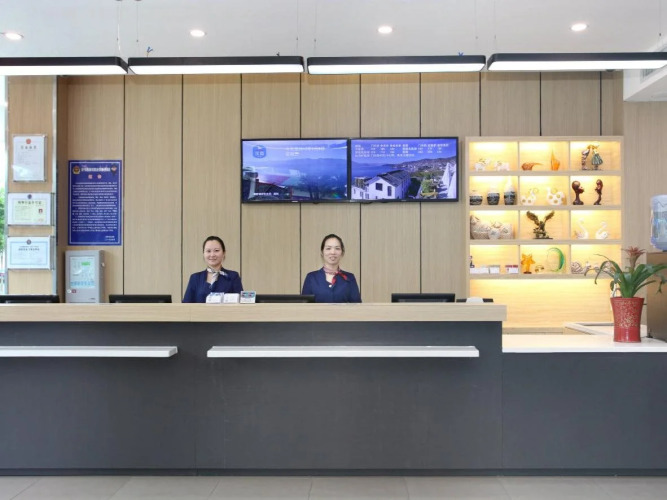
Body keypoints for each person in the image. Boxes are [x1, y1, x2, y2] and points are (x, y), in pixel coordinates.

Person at [302, 234, 361, 303]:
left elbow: (357, 306)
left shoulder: (350, 278)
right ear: (322, 252)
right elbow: (304, 306)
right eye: (328, 248)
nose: (333, 252)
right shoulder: (311, 277)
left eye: (337, 248)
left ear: (342, 253)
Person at [182, 236, 243, 303]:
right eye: (208, 251)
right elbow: (186, 304)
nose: (212, 255)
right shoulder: (195, 278)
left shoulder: (233, 276)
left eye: (216, 250)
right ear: (203, 253)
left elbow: (241, 304)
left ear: (224, 253)